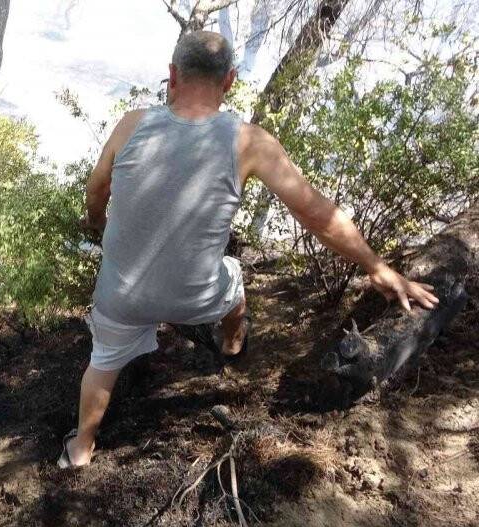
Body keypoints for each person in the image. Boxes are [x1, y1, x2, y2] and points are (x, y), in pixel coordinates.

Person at [57, 31, 440, 469]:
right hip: (196, 299)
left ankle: (81, 447)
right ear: (231, 81)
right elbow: (318, 215)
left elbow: (96, 189)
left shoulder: (131, 124)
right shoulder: (250, 142)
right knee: (233, 275)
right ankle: (234, 343)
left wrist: (98, 224)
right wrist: (378, 267)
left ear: (172, 75)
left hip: (121, 297)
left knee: (102, 363)